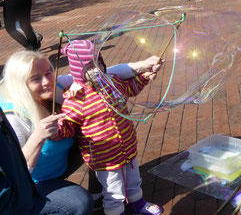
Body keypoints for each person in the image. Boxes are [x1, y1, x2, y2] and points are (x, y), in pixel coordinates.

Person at [0, 49, 161, 214]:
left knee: (98, 138)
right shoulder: (13, 117)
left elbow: (101, 73)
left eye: (48, 73)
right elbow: (15, 173)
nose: (47, 81)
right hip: (34, 183)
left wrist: (142, 67)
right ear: (20, 84)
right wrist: (38, 136)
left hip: (66, 163)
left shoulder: (60, 85)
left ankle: (99, 195)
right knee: (79, 202)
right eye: (35, 78)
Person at [56, 39, 164, 215]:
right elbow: (68, 127)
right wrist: (56, 129)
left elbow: (130, 88)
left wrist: (145, 76)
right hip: (104, 156)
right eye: (90, 67)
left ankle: (137, 203)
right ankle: (115, 212)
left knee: (133, 179)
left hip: (127, 146)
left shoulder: (112, 80)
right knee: (113, 190)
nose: (97, 69)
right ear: (78, 71)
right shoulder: (76, 98)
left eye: (99, 63)